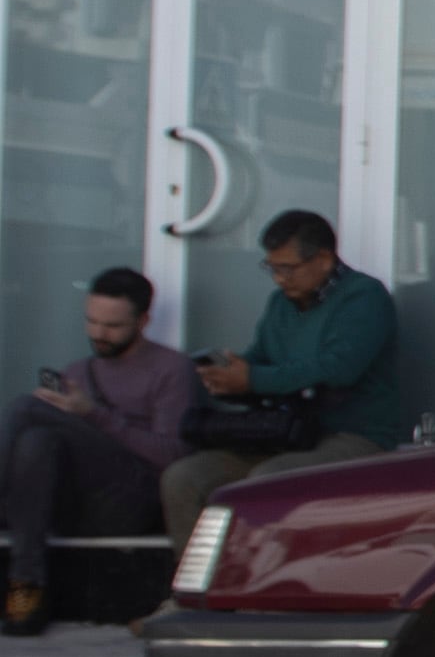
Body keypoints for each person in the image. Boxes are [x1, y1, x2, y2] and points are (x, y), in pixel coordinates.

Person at [158, 210, 403, 549]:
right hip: (283, 432)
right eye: (271, 268)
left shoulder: (364, 297)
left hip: (351, 436)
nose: (278, 279)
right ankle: (196, 590)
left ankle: (262, 590)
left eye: (287, 268)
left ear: (323, 259)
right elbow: (261, 361)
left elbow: (338, 369)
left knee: (269, 481)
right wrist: (229, 379)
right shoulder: (280, 304)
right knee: (184, 477)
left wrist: (253, 379)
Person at [2, 267, 194, 634]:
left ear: (143, 320)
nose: (98, 334)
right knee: (36, 441)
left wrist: (93, 414)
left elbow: (173, 455)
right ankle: (27, 584)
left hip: (131, 501)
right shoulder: (79, 371)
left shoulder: (172, 369)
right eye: (91, 322)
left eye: (112, 326)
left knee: (26, 409)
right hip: (67, 502)